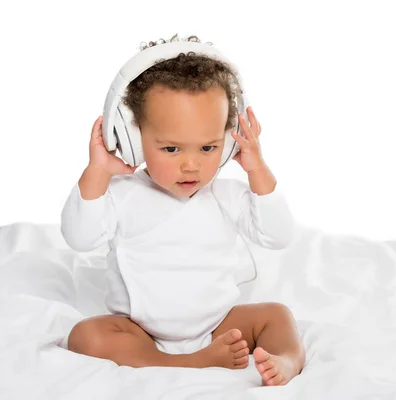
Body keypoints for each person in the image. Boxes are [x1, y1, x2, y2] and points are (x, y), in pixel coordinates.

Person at [60, 35, 305, 386]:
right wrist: (97, 171)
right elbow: (79, 238)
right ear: (133, 136)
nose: (191, 166)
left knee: (276, 316)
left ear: (228, 140)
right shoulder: (122, 194)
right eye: (172, 148)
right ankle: (188, 363)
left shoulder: (226, 195)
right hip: (139, 330)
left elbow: (279, 235)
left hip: (218, 325)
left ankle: (288, 359)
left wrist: (257, 170)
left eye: (208, 147)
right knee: (86, 336)